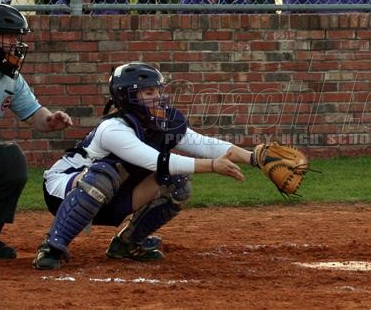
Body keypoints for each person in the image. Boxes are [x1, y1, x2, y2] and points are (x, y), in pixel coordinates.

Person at [32, 62, 253, 270]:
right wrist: (213, 166)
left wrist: (255, 158)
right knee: (103, 176)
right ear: (127, 97)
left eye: (156, 90)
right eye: (148, 92)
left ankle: (127, 243)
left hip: (108, 194)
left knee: (177, 182)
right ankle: (52, 248)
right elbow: (158, 162)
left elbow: (204, 144)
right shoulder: (113, 128)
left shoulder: (158, 121)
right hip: (63, 189)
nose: (157, 97)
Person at [0, 3, 73, 260]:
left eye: (16, 37)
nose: (14, 43)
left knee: (10, 161)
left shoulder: (9, 77)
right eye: (7, 36)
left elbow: (35, 115)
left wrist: (51, 120)